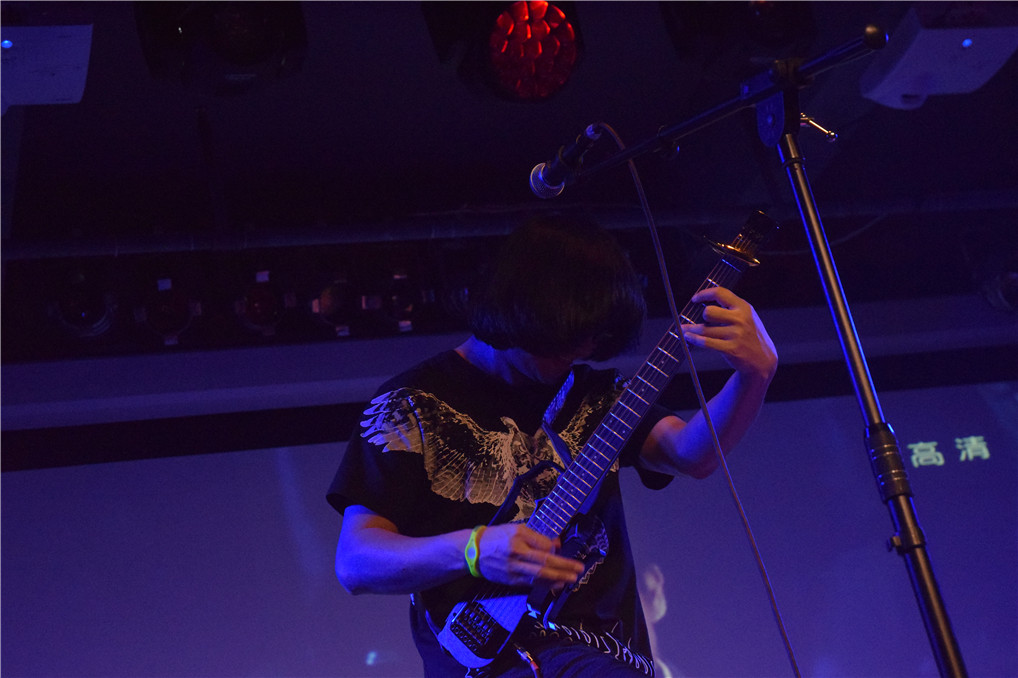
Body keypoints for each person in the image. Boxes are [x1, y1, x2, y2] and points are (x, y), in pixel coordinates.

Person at [327, 215, 777, 677]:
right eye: (562, 345)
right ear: (518, 311)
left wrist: (755, 375)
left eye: (587, 345)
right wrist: (475, 549)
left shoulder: (595, 394)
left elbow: (690, 455)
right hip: (498, 661)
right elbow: (357, 562)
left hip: (607, 657)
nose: (576, 356)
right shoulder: (413, 404)